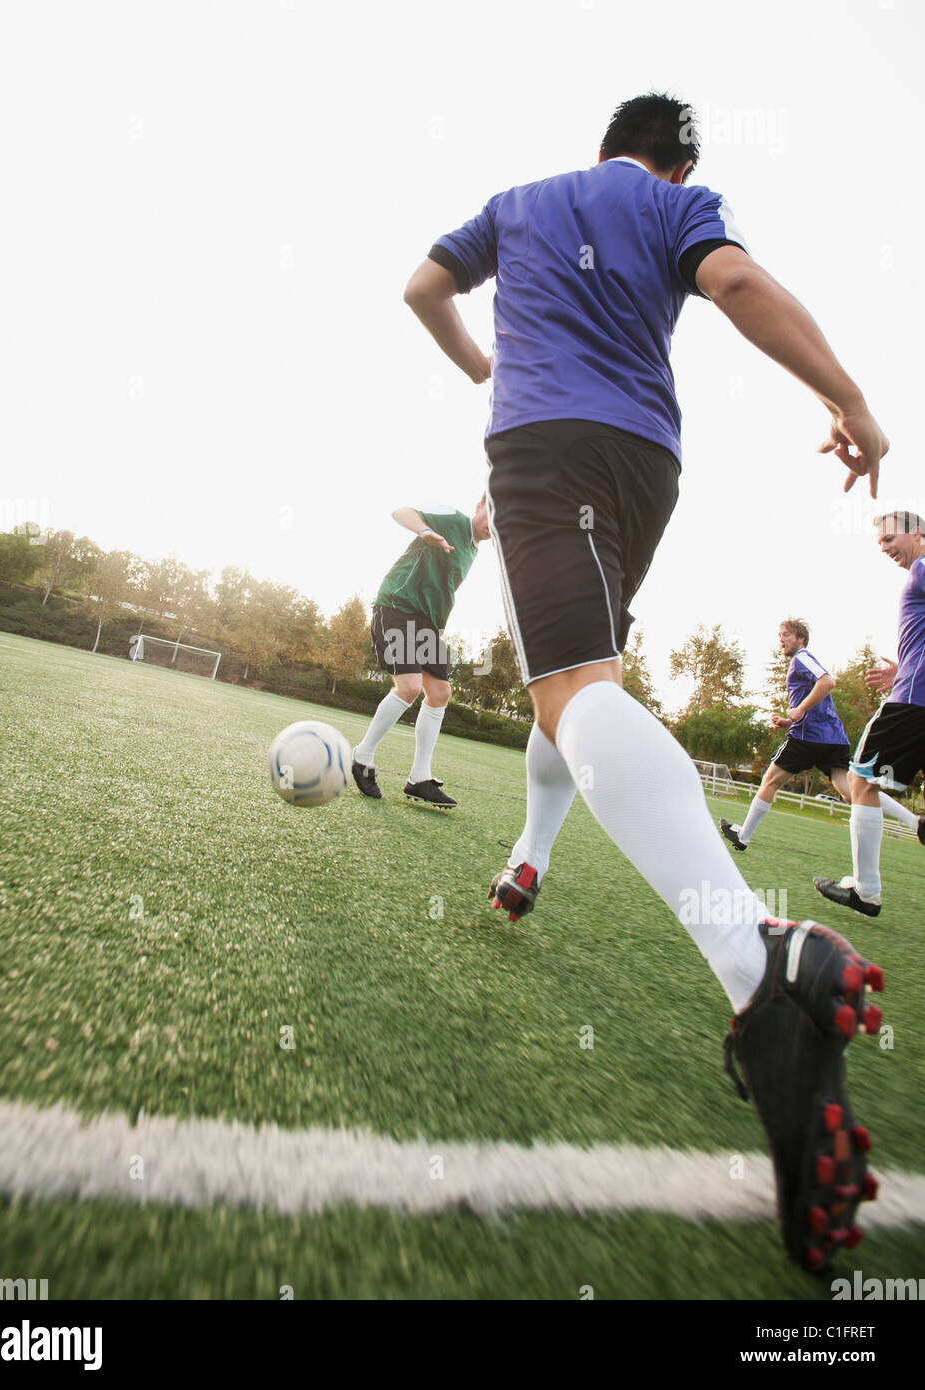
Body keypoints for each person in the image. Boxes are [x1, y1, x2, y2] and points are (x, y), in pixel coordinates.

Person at [403, 92, 888, 1269]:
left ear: (613, 147)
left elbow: (421, 286)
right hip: (643, 462)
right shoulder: (673, 205)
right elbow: (731, 284)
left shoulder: (519, 202)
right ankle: (531, 850)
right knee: (571, 687)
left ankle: (754, 958)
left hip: (543, 444)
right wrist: (847, 400)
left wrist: (484, 364)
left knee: (571, 687)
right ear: (677, 163)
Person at [721, 619, 922, 850]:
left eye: (786, 635)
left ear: (801, 639)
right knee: (853, 792)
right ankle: (915, 822)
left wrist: (799, 710)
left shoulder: (802, 658)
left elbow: (827, 682)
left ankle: (743, 836)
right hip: (832, 737)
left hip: (808, 737)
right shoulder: (802, 662)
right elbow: (819, 697)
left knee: (770, 781)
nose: (781, 640)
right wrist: (790, 719)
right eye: (779, 636)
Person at [815, 511, 925, 915]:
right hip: (914, 689)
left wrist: (911, 677)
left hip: (912, 702)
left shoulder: (922, 568)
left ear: (917, 532)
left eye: (889, 538)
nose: (884, 548)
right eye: (879, 543)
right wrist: (903, 668)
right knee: (870, 781)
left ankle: (865, 890)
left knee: (861, 780)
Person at [351, 498, 490, 806]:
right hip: (398, 607)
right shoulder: (453, 518)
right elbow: (400, 512)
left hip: (428, 625)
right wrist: (426, 531)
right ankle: (362, 756)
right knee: (410, 687)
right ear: (481, 504)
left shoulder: (472, 549)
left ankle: (419, 778)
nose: (495, 527)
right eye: (494, 515)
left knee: (440, 693)